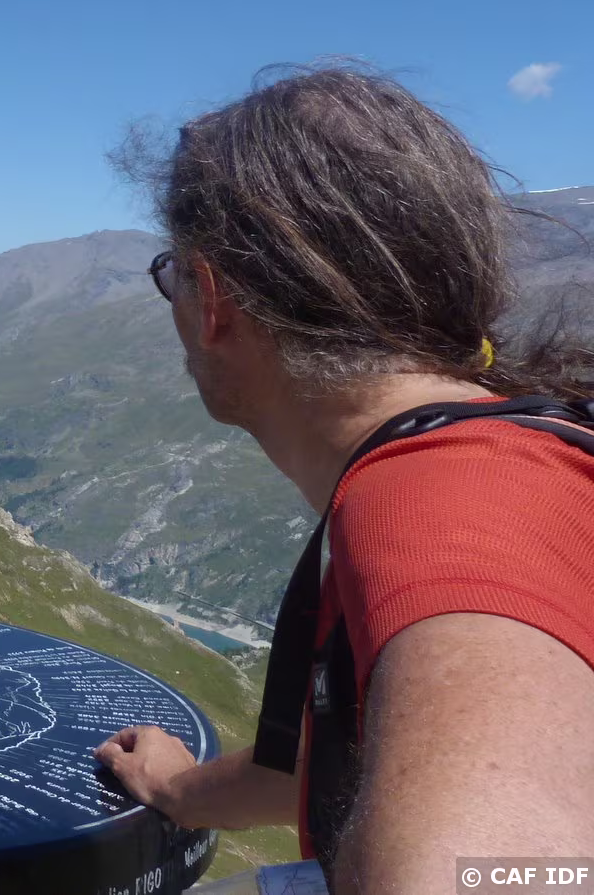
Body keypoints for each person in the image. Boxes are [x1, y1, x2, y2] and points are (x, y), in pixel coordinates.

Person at [93, 66, 594, 893]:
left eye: (173, 274)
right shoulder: (508, 443)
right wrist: (182, 790)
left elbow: (484, 868)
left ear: (212, 300)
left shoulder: (440, 511)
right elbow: (367, 757)